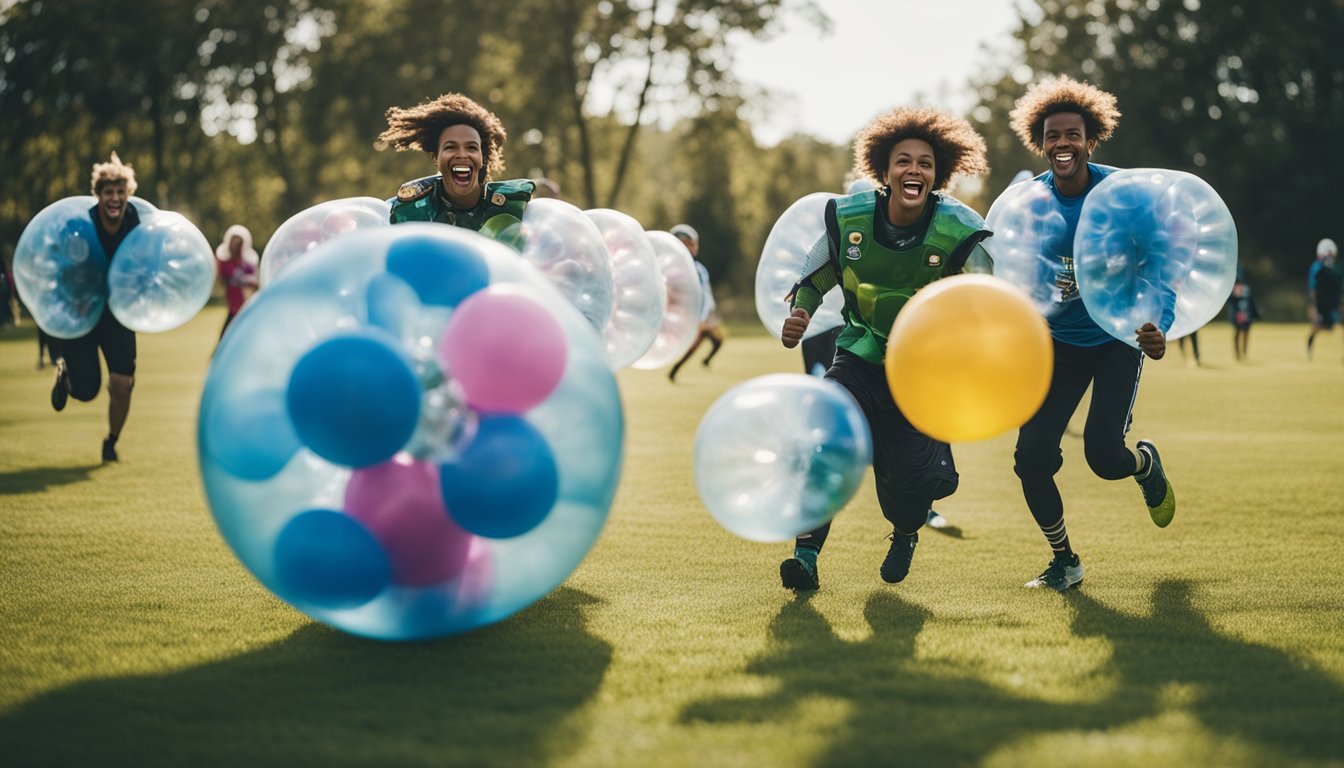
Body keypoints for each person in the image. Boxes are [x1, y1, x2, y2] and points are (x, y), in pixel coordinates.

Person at [777, 106, 992, 591]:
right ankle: (806, 556)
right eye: (903, 161)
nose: (913, 170)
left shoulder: (959, 229)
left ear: (938, 175)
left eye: (924, 163)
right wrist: (802, 313)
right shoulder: (850, 217)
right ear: (884, 168)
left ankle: (905, 531)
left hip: (922, 373)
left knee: (905, 483)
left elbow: (986, 298)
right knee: (824, 435)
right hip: (860, 357)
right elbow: (817, 273)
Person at [1005, 76, 1175, 593]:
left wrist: (1159, 325)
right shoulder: (1029, 203)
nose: (1062, 144)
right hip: (1058, 345)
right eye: (1052, 135)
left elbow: (1159, 263)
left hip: (1115, 339)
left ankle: (1145, 466)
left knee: (1103, 458)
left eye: (1072, 134)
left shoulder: (1122, 194)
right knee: (1031, 457)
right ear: (1041, 142)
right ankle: (1065, 562)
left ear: (1090, 139)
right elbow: (1014, 274)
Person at [47, 153, 144, 462]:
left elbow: (143, 268)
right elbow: (63, 269)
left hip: (117, 314)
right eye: (108, 192)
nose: (114, 198)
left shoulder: (135, 225)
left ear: (128, 194)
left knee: (122, 385)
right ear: (98, 195)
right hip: (84, 312)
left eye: (120, 192)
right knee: (87, 392)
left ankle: (111, 442)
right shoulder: (81, 226)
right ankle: (66, 373)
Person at [379, 93, 534, 231]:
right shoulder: (408, 212)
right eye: (451, 147)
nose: (462, 154)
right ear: (435, 158)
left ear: (482, 158)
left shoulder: (514, 207)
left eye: (471, 148)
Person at [667, 224, 726, 382]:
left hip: (706, 313)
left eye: (689, 244)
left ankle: (705, 361)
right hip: (692, 315)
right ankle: (674, 370)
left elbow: (705, 294)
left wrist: (705, 314)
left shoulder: (699, 269)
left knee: (718, 340)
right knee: (693, 344)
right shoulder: (672, 270)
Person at [215, 224, 258, 340]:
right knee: (224, 339)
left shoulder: (248, 265)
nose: (235, 247)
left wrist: (250, 281)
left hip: (246, 307)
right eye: (233, 243)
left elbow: (256, 284)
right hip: (233, 307)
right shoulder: (225, 263)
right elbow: (219, 280)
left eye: (238, 244)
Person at [1306, 238, 1341, 360]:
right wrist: (1313, 305)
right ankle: (1309, 351)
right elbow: (1312, 288)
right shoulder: (1317, 268)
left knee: (1334, 325)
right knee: (1318, 326)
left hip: (1332, 304)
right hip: (1321, 304)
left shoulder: (1335, 269)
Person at [1228, 274, 1259, 361]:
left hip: (1246, 318)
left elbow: (1252, 304)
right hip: (1237, 319)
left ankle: (1244, 353)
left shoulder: (1247, 292)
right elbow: (1230, 303)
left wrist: (1254, 315)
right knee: (1237, 336)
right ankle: (1237, 354)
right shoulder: (1233, 293)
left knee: (1245, 335)